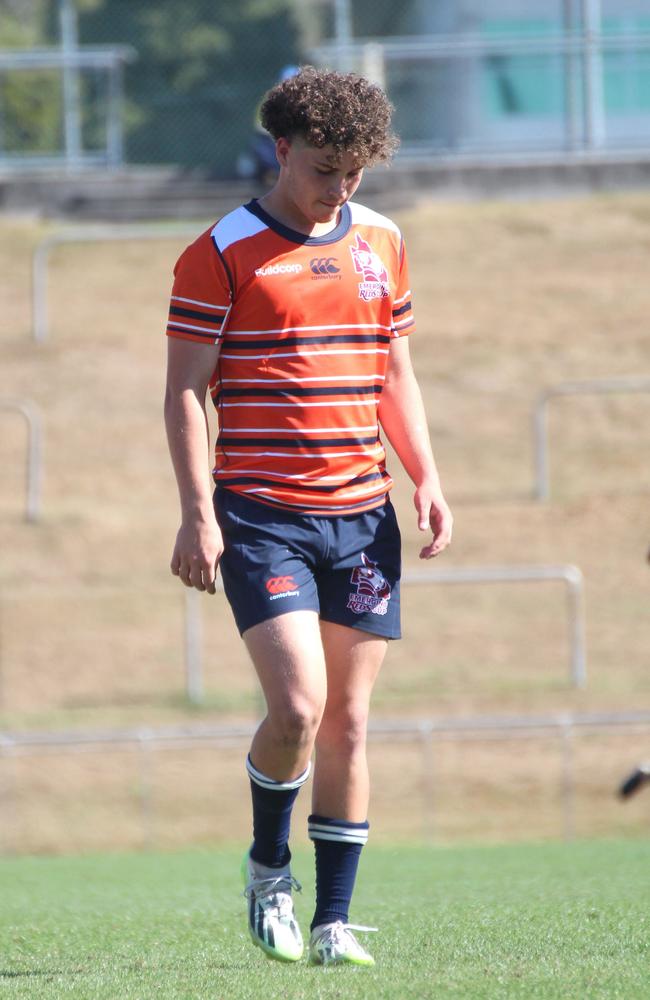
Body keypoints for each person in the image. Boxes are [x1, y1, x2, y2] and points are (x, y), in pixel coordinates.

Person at [164, 66, 453, 968]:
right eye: (325, 168)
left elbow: (393, 371)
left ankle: (333, 923)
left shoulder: (383, 241)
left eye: (356, 170)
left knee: (350, 724)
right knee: (296, 706)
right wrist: (197, 514)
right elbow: (183, 392)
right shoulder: (222, 250)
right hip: (261, 516)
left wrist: (427, 477)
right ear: (282, 150)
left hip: (362, 516)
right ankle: (268, 870)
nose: (341, 187)